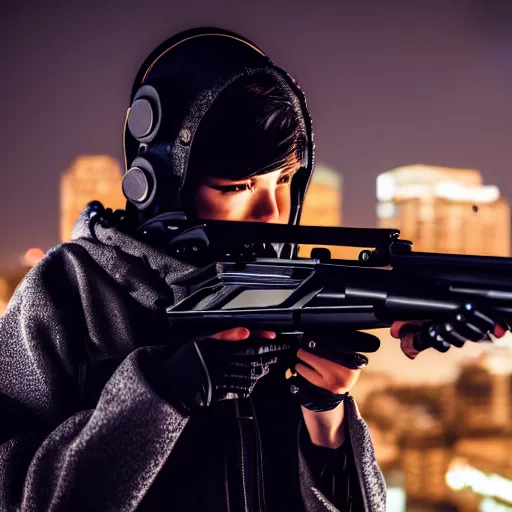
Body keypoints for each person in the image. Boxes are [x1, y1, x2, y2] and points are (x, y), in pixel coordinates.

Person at [0, 28, 505, 512]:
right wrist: (162, 392)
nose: (271, 212)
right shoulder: (68, 291)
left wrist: (325, 416)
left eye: (284, 180)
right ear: (158, 183)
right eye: (237, 187)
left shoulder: (288, 293)